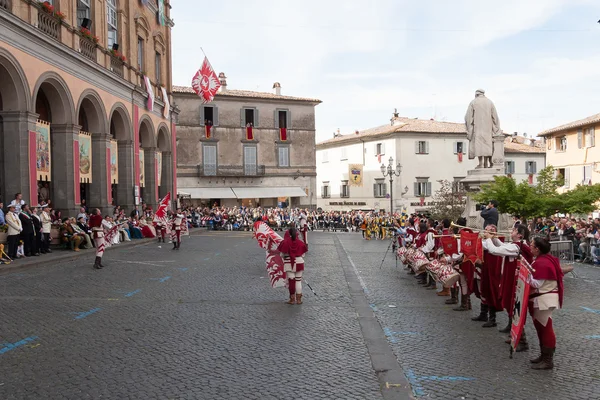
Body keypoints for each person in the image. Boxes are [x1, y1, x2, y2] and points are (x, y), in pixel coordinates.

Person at [482, 224, 533, 351]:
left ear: (520, 235)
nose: (512, 231)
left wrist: (489, 238)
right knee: (512, 306)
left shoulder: (518, 247)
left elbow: (495, 251)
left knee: (515, 307)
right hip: (512, 279)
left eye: (514, 230)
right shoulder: (517, 245)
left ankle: (522, 340)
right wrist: (493, 238)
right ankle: (514, 335)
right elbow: (503, 246)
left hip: (516, 282)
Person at [528, 237, 564, 370]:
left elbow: (537, 283)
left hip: (544, 298)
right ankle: (544, 356)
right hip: (541, 298)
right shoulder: (542, 260)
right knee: (541, 328)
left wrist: (525, 275)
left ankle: (548, 360)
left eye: (531, 245)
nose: (529, 247)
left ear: (537, 249)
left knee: (546, 328)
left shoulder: (543, 263)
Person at [464, 89, 501, 169]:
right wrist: (496, 128)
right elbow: (495, 117)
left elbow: (468, 117)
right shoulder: (490, 102)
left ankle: (480, 163)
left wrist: (469, 128)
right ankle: (486, 163)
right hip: (488, 129)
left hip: (477, 128)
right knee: (487, 145)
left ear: (476, 94)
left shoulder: (473, 102)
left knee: (479, 146)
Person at [277, 226, 308, 305]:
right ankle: (299, 299)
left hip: (289, 263)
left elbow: (281, 254)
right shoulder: (300, 242)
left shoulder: (285, 242)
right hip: (299, 262)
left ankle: (292, 299)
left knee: (291, 281)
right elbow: (303, 254)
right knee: (298, 281)